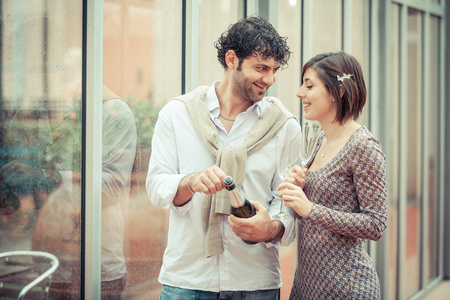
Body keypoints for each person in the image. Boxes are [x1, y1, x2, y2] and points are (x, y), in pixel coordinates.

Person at [146, 16, 300, 299]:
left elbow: (288, 202)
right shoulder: (177, 114)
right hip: (188, 280)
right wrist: (191, 182)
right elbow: (156, 187)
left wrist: (272, 228)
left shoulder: (284, 126)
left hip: (255, 281)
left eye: (274, 70)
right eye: (261, 68)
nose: (270, 79)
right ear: (232, 60)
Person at [0, 48, 137, 300]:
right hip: (53, 260)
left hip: (97, 261)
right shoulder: (66, 114)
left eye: (70, 75)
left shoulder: (114, 113)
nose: (64, 84)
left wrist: (51, 177)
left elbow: (112, 189)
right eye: (62, 76)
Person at [277, 51, 388, 299]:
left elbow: (376, 224)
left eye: (309, 85)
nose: (299, 93)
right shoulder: (320, 139)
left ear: (338, 92)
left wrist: (310, 209)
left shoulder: (363, 146)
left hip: (346, 288)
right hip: (307, 284)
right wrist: (304, 183)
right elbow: (333, 194)